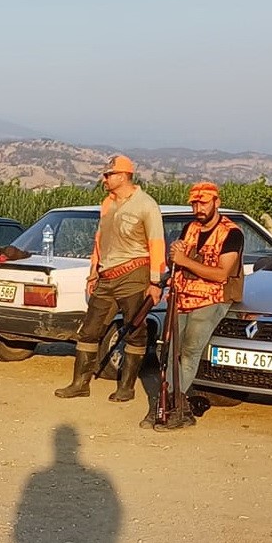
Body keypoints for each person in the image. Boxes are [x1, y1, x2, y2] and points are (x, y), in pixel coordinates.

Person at [55, 155, 166, 401]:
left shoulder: (146, 205)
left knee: (135, 330)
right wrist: (93, 271)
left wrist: (156, 282)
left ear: (124, 175)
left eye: (109, 174)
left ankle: (126, 387)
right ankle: (79, 384)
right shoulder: (107, 204)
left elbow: (156, 243)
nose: (104, 179)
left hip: (134, 273)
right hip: (106, 275)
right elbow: (99, 240)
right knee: (89, 330)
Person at [143, 182, 244, 431]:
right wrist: (173, 254)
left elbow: (221, 274)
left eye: (203, 202)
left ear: (216, 202)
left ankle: (169, 406)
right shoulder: (189, 228)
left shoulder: (232, 233)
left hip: (211, 299)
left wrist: (184, 259)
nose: (198, 207)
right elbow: (176, 261)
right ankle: (172, 403)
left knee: (189, 352)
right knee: (166, 353)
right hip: (181, 297)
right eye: (195, 203)